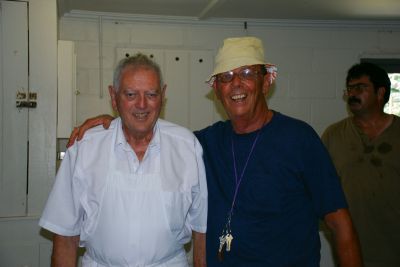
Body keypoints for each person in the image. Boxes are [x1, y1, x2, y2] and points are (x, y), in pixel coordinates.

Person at [69, 37, 363, 266]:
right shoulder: (202, 144)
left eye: (247, 72)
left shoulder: (299, 139)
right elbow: (149, 132)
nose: (236, 83)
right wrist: (113, 122)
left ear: (266, 81)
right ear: (217, 89)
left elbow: (341, 226)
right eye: (225, 76)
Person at [39, 53, 208, 267]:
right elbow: (65, 236)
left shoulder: (186, 146)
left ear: (163, 95)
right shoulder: (86, 147)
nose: (142, 104)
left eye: (151, 94)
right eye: (130, 94)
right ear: (113, 96)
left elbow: (201, 231)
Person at [322, 62, 400, 267]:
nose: (352, 94)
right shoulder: (334, 135)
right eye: (349, 89)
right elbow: (321, 188)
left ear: (381, 92)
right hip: (351, 250)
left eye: (360, 88)